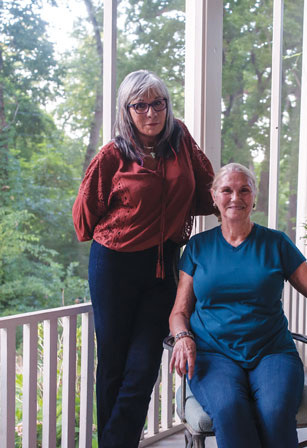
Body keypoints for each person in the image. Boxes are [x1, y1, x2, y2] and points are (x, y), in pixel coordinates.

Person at [72, 70, 214, 447]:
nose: (151, 112)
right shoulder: (113, 155)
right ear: (126, 110)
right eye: (140, 105)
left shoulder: (180, 139)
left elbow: (207, 189)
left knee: (144, 365)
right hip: (114, 265)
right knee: (115, 365)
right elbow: (83, 221)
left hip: (164, 264)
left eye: (158, 103)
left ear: (167, 105)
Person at [169, 163, 307, 448]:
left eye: (244, 190)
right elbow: (179, 312)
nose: (235, 197)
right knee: (229, 410)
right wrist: (183, 336)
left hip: (272, 352)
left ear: (254, 198)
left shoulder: (277, 243)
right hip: (213, 354)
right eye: (226, 190)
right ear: (214, 196)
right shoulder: (198, 247)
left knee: (275, 412)